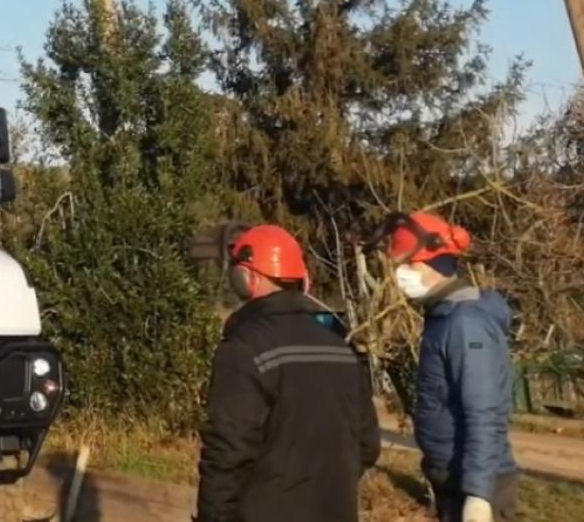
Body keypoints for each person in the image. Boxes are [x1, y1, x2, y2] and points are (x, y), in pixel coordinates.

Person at [196, 224, 379, 522]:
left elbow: (227, 453)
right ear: (302, 280)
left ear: (248, 279)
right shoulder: (341, 349)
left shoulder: (244, 349)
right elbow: (368, 444)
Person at [378, 212, 519, 522]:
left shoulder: (464, 323)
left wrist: (479, 496)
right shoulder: (443, 315)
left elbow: (485, 412)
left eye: (409, 265)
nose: (401, 274)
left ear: (435, 264)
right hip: (454, 480)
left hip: (475, 485)